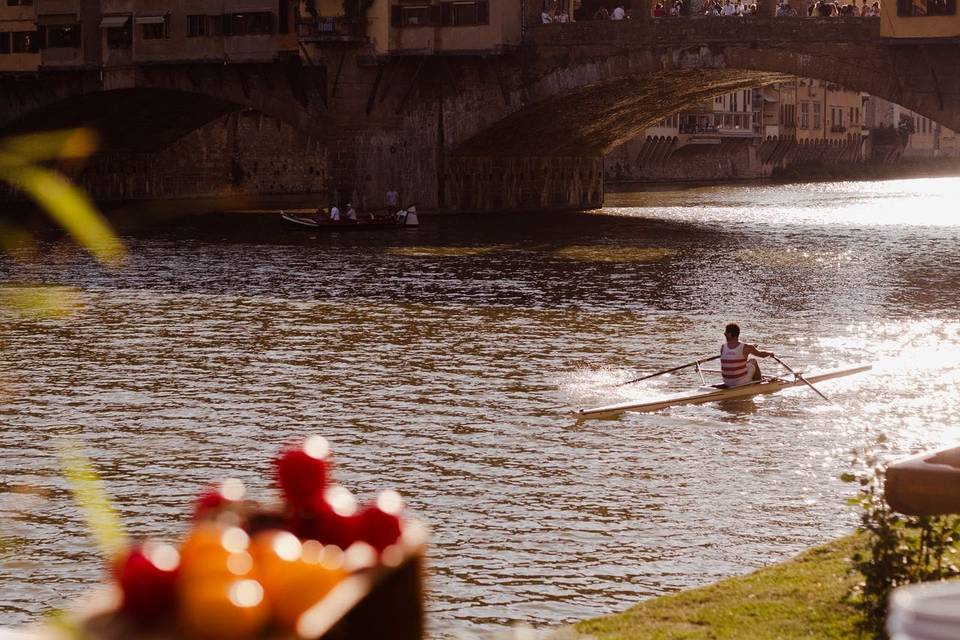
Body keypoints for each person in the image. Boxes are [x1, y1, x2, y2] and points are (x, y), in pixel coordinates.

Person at [720, 323, 775, 387]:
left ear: (730, 334)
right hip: (740, 382)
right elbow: (761, 354)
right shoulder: (747, 347)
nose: (724, 334)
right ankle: (759, 384)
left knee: (742, 363)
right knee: (753, 361)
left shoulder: (723, 347)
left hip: (727, 382)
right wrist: (770, 353)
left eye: (726, 332)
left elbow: (733, 354)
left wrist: (751, 347)